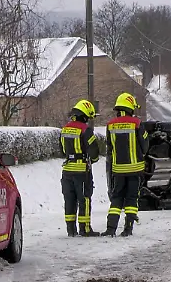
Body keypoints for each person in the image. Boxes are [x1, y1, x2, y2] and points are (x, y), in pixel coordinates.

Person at [103, 92, 148, 237]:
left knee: (116, 198)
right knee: (131, 198)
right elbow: (145, 145)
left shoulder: (110, 125)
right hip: (135, 170)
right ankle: (128, 229)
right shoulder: (137, 124)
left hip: (118, 170)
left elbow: (109, 148)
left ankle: (111, 229)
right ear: (130, 108)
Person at [59, 100, 101, 237]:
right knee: (84, 199)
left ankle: (71, 230)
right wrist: (92, 160)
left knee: (69, 200)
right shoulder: (85, 130)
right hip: (82, 170)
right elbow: (94, 151)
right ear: (84, 116)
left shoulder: (65, 128)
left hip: (67, 170)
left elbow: (61, 150)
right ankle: (85, 229)